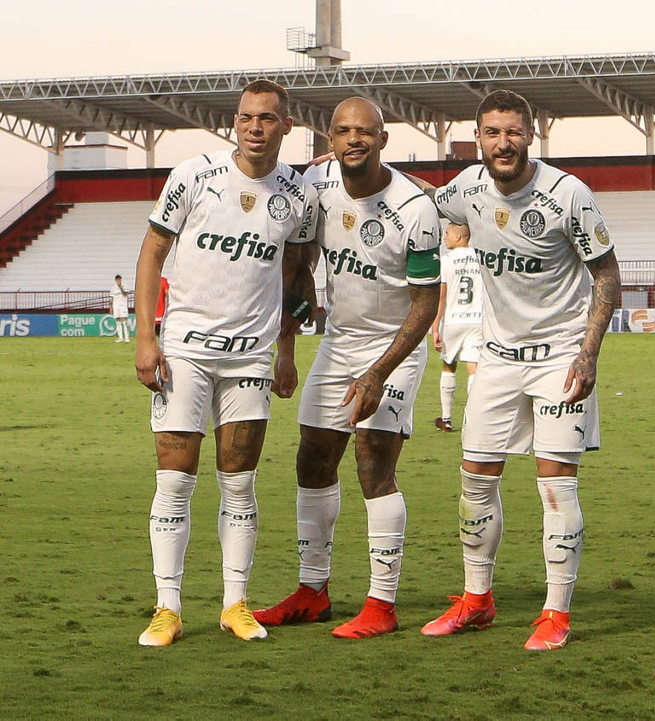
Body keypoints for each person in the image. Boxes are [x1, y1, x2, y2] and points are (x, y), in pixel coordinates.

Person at [421, 89, 621, 651]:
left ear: (530, 135)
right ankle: (477, 601)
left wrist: (588, 353)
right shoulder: (468, 189)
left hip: (560, 359)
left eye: (513, 132)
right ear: (477, 138)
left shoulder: (567, 195)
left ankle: (556, 613)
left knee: (556, 488)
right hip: (497, 359)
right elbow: (425, 199)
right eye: (492, 133)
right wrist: (365, 170)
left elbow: (607, 275)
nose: (503, 143)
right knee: (474, 483)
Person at [132, 78, 319, 646]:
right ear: (235, 122)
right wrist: (146, 338)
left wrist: (286, 351)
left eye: (267, 118)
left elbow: (294, 276)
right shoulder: (193, 176)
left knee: (239, 484)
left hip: (250, 358)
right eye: (246, 117)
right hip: (185, 352)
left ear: (286, 126)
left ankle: (235, 604)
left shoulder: (300, 196)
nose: (255, 127)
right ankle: (167, 608)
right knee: (175, 481)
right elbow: (152, 253)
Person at [252, 97, 441, 639]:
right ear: (329, 140)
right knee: (312, 458)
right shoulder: (316, 185)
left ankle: (382, 604)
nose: (354, 139)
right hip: (339, 344)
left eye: (365, 131)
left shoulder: (414, 207)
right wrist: (286, 349)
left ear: (383, 139)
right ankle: (312, 591)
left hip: (395, 347)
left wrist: (379, 373)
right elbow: (299, 265)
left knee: (373, 460)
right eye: (343, 131)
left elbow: (426, 304)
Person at [430, 223, 486, 433]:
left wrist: (435, 327)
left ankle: (446, 418)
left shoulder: (446, 261)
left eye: (447, 234)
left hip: (454, 320)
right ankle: (474, 420)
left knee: (449, 365)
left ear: (459, 237)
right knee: (474, 368)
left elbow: (441, 296)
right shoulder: (480, 258)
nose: (444, 237)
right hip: (477, 319)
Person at [110, 274, 130, 343]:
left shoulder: (125, 286)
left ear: (121, 279)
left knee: (125, 321)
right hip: (116, 306)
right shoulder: (113, 288)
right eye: (117, 280)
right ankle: (120, 337)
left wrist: (120, 287)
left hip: (123, 306)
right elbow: (111, 298)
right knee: (117, 321)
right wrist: (111, 308)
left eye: (119, 280)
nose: (118, 281)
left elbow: (125, 294)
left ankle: (127, 338)